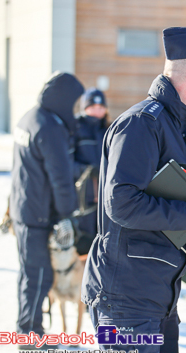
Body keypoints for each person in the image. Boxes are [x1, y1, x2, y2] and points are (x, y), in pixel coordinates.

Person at [81, 26, 186, 353]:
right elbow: (122, 203)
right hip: (126, 302)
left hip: (157, 298)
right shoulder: (142, 125)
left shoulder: (177, 127)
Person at [9, 72, 85, 347]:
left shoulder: (29, 117)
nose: (75, 108)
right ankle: (30, 335)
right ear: (63, 98)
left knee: (29, 272)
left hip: (24, 208)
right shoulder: (50, 129)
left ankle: (28, 329)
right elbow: (60, 178)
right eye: (74, 101)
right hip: (38, 213)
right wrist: (67, 215)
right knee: (39, 275)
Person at [74, 88, 110, 256]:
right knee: (83, 240)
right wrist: (86, 171)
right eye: (93, 106)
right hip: (83, 195)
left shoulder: (109, 130)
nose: (97, 110)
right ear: (85, 107)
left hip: (105, 195)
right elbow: (66, 162)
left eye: (100, 106)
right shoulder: (75, 129)